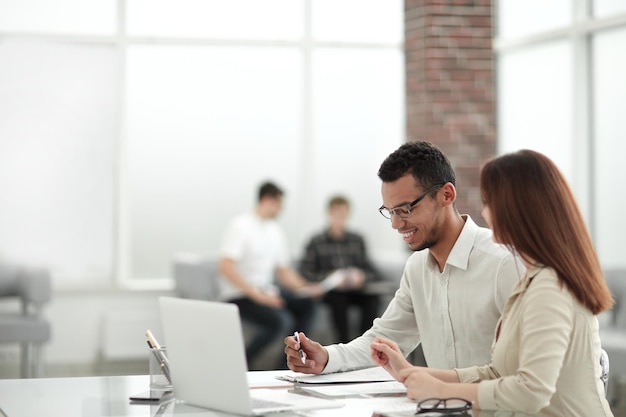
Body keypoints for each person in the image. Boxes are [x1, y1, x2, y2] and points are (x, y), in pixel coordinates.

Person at [370, 150, 614, 416]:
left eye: (489, 202)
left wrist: (440, 391)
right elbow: (497, 373)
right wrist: (412, 373)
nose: (485, 213)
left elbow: (531, 391)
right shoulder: (531, 280)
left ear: (520, 210)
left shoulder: (549, 285)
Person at [284, 141, 523, 374]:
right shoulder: (417, 268)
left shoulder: (504, 263)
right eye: (390, 212)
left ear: (446, 195)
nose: (396, 224)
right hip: (438, 406)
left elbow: (531, 374)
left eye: (406, 209)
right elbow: (384, 339)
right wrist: (325, 357)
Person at [218, 181, 322, 370]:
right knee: (282, 320)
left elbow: (283, 270)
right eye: (279, 204)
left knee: (308, 305)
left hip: (266, 291)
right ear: (267, 199)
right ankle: (241, 363)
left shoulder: (275, 231)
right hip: (241, 295)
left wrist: (305, 287)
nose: (281, 209)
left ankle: (285, 366)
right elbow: (226, 267)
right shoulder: (240, 226)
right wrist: (259, 297)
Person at [300, 195, 382, 343]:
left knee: (372, 299)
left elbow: (372, 271)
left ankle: (366, 344)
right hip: (333, 293)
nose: (340, 218)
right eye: (336, 213)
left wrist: (362, 277)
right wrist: (330, 277)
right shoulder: (316, 241)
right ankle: (343, 343)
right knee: (338, 299)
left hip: (355, 290)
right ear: (329, 213)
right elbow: (306, 271)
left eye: (343, 214)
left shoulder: (357, 239)